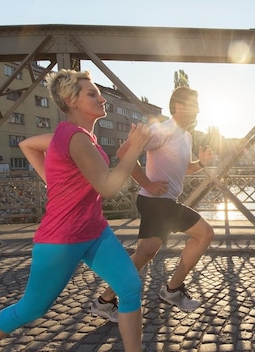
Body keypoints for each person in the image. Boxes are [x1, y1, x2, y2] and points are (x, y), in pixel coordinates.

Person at [0, 69, 152, 352]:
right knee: (31, 309)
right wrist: (135, 149)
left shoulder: (72, 136)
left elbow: (27, 145)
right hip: (62, 239)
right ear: (71, 100)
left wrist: (53, 179)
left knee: (129, 289)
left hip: (94, 231)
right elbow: (107, 188)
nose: (101, 98)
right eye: (92, 93)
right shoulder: (75, 137)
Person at [90, 86, 214, 320]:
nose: (198, 110)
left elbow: (184, 168)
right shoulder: (161, 130)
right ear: (178, 106)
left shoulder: (185, 136)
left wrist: (202, 163)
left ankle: (104, 301)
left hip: (158, 203)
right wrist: (147, 181)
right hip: (158, 203)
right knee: (205, 233)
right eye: (194, 105)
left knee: (144, 253)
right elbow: (125, 150)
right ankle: (173, 290)